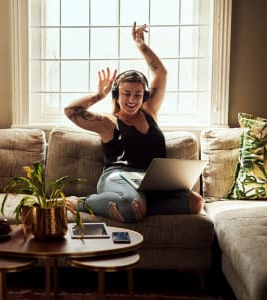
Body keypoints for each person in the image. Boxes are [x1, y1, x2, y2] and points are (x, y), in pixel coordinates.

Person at [64, 22, 204, 222]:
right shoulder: (108, 122)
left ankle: (138, 207)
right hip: (118, 177)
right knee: (132, 206)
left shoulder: (150, 112)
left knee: (196, 202)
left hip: (149, 182)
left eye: (137, 95)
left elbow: (161, 74)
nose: (131, 100)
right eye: (126, 94)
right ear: (117, 94)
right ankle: (79, 202)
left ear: (144, 95)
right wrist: (98, 95)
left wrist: (142, 46)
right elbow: (71, 111)